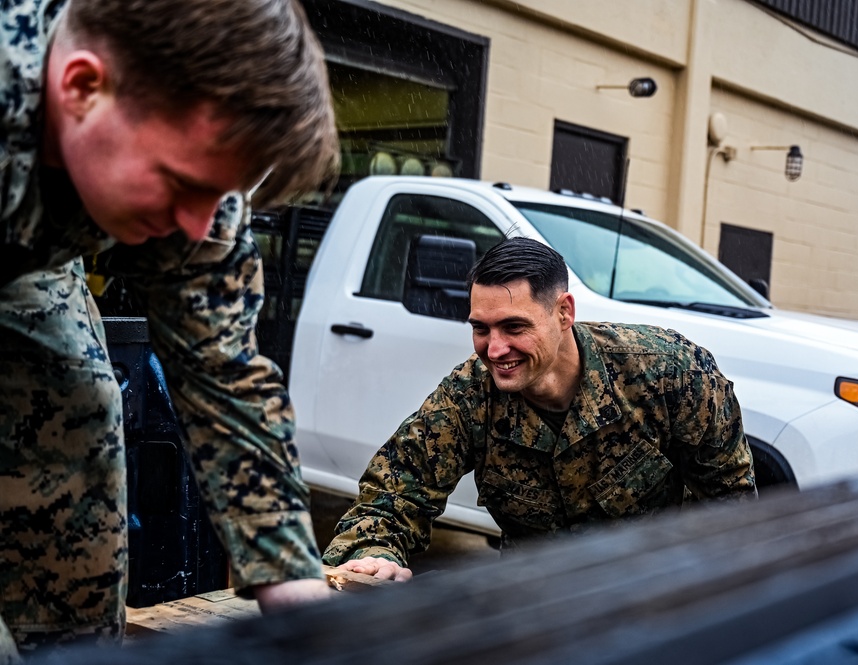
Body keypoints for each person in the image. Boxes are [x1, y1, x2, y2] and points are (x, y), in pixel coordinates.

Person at [0, 0, 338, 659]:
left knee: (76, 400)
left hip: (27, 258)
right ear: (81, 86)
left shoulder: (189, 153)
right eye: (180, 185)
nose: (195, 224)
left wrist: (299, 595)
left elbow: (226, 375)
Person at [324, 237, 756, 582]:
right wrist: (372, 554)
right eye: (480, 329)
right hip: (534, 607)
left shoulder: (668, 372)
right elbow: (390, 497)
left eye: (514, 327)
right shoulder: (468, 397)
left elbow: (731, 507)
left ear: (563, 312)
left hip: (652, 596)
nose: (494, 350)